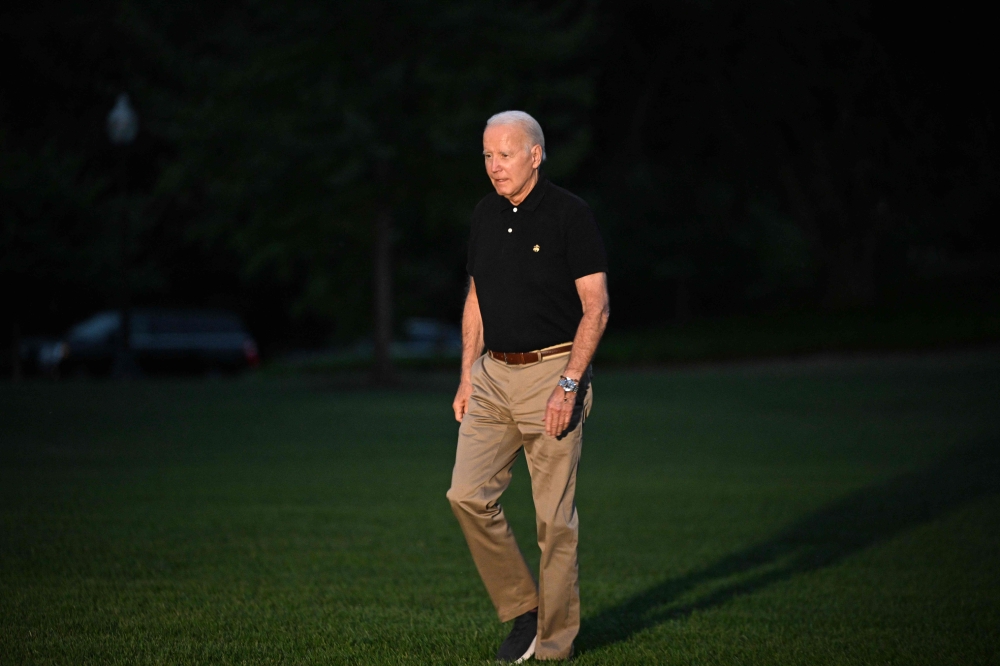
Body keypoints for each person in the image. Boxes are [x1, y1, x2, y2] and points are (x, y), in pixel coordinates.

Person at [447, 110, 610, 662]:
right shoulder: (484, 215)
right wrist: (468, 373)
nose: (495, 167)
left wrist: (568, 385)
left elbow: (596, 307)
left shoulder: (571, 215)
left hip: (552, 372)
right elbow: (476, 297)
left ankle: (554, 646)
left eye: (506, 154)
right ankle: (525, 612)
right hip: (493, 375)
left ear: (535, 154)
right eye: (488, 156)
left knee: (553, 522)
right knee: (466, 495)